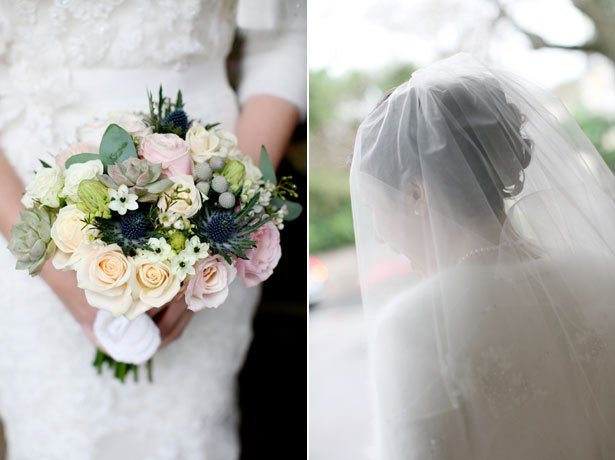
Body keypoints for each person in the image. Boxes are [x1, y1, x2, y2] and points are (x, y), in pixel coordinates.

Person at [0, 1, 305, 459]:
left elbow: (285, 40)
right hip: (23, 213)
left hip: (207, 197)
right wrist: (47, 258)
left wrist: (212, 243)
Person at [350, 53, 615, 459]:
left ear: (416, 193)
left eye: (373, 208)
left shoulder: (413, 327)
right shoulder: (599, 273)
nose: (380, 235)